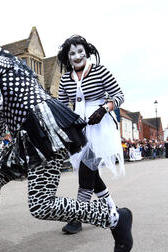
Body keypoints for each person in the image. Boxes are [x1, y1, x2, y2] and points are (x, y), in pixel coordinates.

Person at [0, 27, 133, 252]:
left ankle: (115, 217)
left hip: (41, 131)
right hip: (27, 133)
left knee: (41, 204)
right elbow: (0, 115)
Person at [57, 35, 125, 234]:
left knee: (86, 171)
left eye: (80, 52)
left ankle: (78, 217)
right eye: (72, 53)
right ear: (67, 57)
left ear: (86, 52)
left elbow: (119, 95)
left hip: (100, 128)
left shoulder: (100, 71)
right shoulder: (64, 79)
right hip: (79, 128)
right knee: (91, 174)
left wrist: (104, 109)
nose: (77, 56)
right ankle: (112, 207)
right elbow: (61, 105)